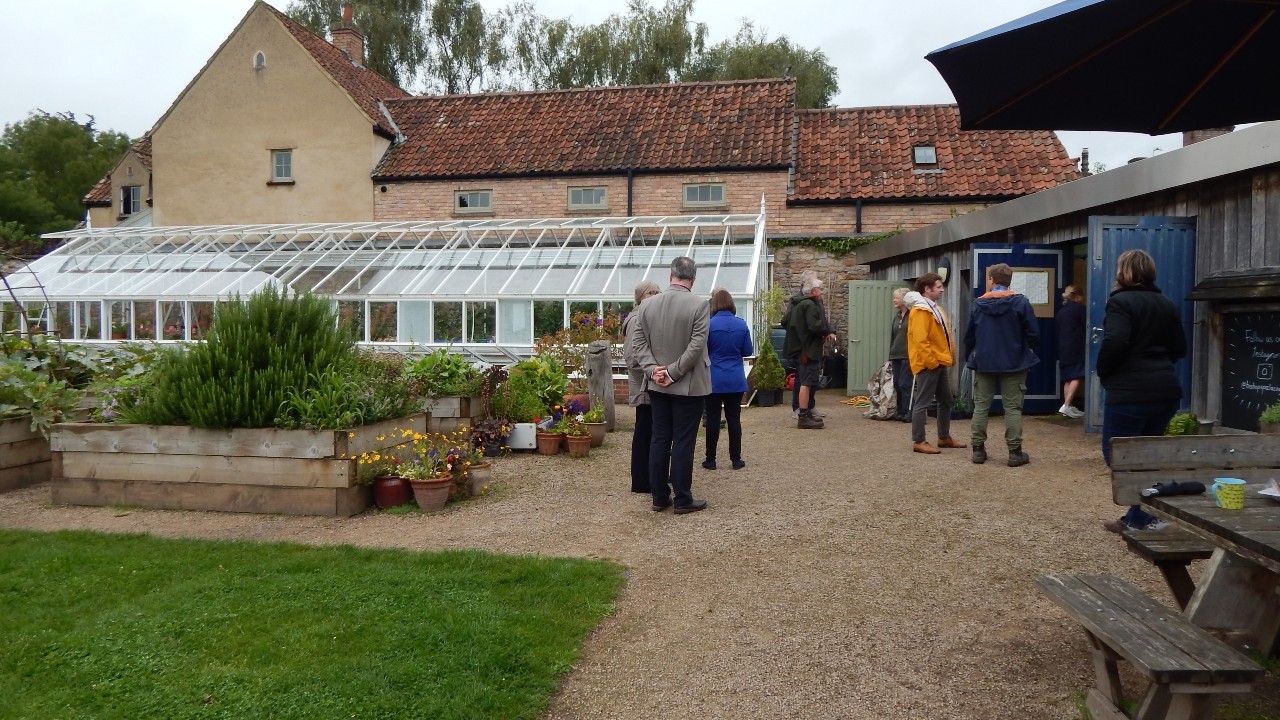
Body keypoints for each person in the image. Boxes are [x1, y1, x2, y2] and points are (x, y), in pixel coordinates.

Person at [1098, 249, 1187, 533]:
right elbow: (1179, 348)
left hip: (1129, 390)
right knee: (1148, 455)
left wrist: (1105, 371)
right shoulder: (1167, 304)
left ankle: (1141, 513)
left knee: (1116, 454)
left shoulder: (1120, 303)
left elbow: (1115, 340)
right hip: (1164, 389)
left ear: (1122, 271)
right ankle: (1139, 515)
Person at [632, 256, 710, 515]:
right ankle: (683, 498)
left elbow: (639, 344)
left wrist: (654, 370)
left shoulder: (647, 306)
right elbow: (697, 345)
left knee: (660, 439)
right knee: (684, 441)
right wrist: (673, 373)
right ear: (693, 279)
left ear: (670, 276)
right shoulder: (700, 305)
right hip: (688, 385)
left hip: (657, 385)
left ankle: (659, 496)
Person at [964, 263, 1039, 467]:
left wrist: (970, 355)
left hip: (984, 362)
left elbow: (969, 336)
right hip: (1014, 362)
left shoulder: (977, 304)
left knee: (981, 406)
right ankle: (1015, 453)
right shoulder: (1021, 303)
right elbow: (1033, 333)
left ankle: (978, 450)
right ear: (1009, 280)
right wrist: (1029, 349)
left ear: (991, 280)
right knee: (1013, 408)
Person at [905, 272, 966, 454]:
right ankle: (919, 440)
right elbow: (921, 340)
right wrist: (931, 362)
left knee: (945, 400)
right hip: (929, 364)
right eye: (938, 287)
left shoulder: (934, 309)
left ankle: (944, 437)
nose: (942, 290)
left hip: (938, 362)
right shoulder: (921, 310)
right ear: (927, 289)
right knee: (922, 402)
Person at [704, 288, 752, 470]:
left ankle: (710, 459)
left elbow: (704, 351)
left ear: (714, 304)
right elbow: (747, 351)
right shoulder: (741, 324)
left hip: (714, 378)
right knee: (734, 419)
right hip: (735, 378)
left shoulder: (709, 325)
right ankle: (736, 459)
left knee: (713, 419)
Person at [783, 274, 836, 429]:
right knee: (806, 383)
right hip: (807, 350)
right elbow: (815, 326)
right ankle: (803, 415)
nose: (822, 291)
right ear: (813, 291)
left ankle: (805, 413)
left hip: (802, 348)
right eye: (819, 288)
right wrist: (826, 332)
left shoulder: (798, 304)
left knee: (806, 381)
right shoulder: (809, 305)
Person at [623, 279, 660, 494]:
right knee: (644, 432)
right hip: (643, 385)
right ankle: (640, 480)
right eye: (650, 293)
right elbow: (632, 357)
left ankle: (651, 475)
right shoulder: (637, 319)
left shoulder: (649, 316)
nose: (655, 295)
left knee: (653, 431)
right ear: (640, 297)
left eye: (657, 292)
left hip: (650, 384)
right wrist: (652, 374)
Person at [1056, 285, 1086, 419]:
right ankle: (1067, 405)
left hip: (1063, 347)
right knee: (1077, 375)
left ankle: (1067, 406)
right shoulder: (1080, 309)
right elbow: (1087, 325)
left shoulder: (1062, 312)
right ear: (1078, 296)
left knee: (1068, 378)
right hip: (1076, 346)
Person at [888, 287, 912, 422]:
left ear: (904, 299)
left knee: (905, 383)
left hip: (908, 354)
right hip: (896, 354)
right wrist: (890, 356)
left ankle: (909, 411)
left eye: (896, 297)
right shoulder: (897, 316)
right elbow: (893, 337)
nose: (894, 300)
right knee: (897, 383)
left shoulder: (913, 315)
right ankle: (900, 410)